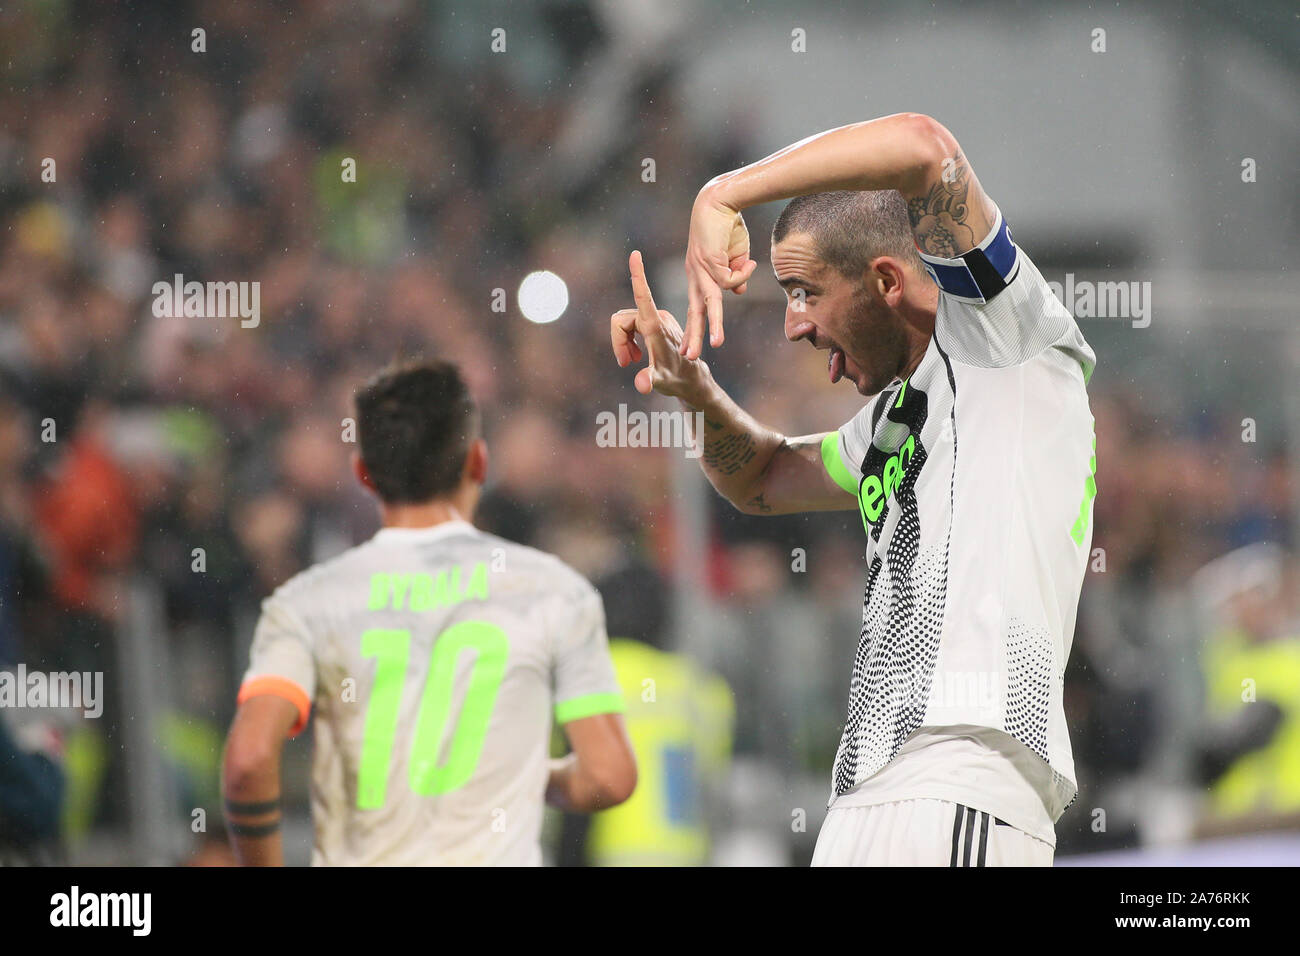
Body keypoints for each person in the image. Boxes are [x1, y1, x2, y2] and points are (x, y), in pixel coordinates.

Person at [611, 112, 1098, 866]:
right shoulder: (900, 418)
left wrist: (724, 192)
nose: (792, 326)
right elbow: (764, 480)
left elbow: (923, 149)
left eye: (803, 291)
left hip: (964, 775)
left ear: (885, 280)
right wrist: (694, 389)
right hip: (871, 791)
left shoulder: (1003, 336)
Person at [221, 359, 636, 865]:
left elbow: (248, 759)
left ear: (364, 474)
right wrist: (517, 777)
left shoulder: (307, 601)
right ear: (479, 462)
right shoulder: (555, 592)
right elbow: (609, 776)